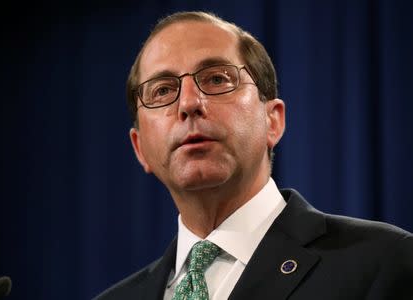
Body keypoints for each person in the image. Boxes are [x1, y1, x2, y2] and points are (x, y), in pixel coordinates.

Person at [94, 11, 413, 300]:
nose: (189, 103)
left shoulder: (384, 262)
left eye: (216, 79)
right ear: (140, 148)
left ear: (272, 120)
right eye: (162, 90)